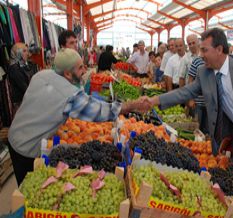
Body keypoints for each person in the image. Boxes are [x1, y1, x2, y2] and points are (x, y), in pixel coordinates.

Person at [143, 28, 233, 190]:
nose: (201, 54)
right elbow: (184, 92)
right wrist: (154, 101)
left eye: (204, 50)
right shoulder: (204, 73)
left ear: (219, 49)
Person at [8, 48, 150, 186]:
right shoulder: (68, 94)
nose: (85, 70)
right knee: (29, 191)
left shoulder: (41, 75)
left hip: (15, 134)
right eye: (80, 67)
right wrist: (133, 105)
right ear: (68, 74)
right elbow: (101, 112)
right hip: (26, 147)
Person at [8, 43, 38, 115]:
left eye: (27, 51)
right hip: (21, 102)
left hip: (28, 99)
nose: (27, 53)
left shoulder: (27, 64)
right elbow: (24, 87)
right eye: (24, 51)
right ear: (17, 53)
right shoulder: (14, 68)